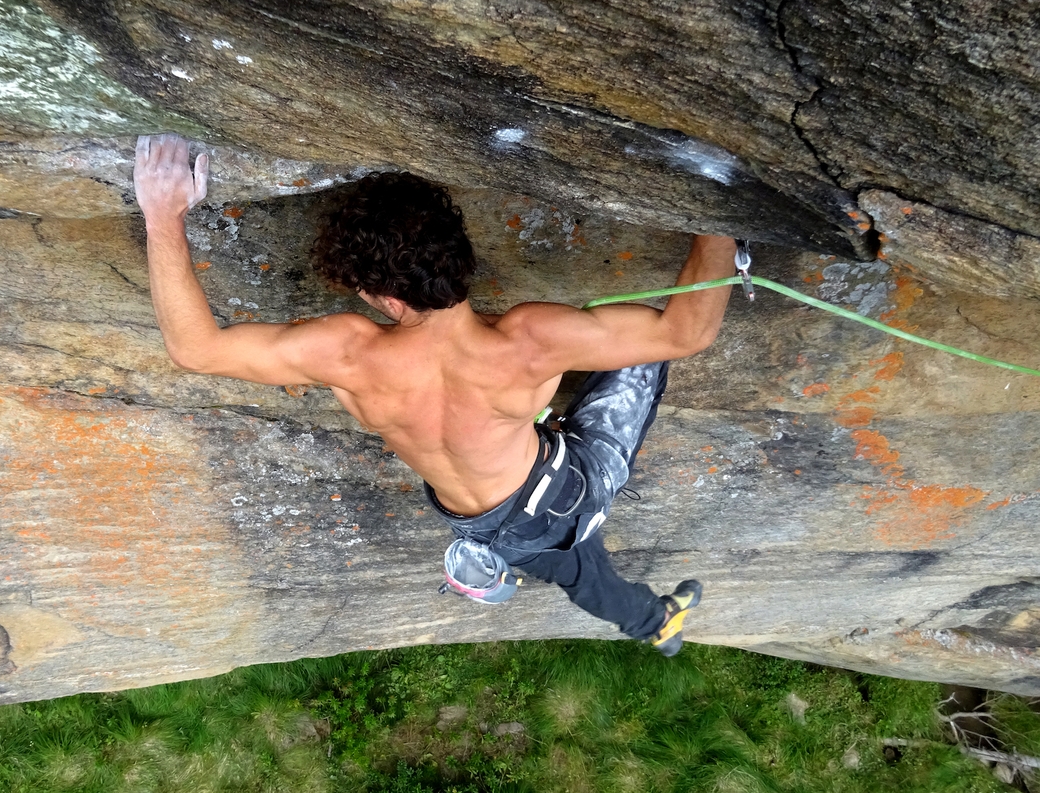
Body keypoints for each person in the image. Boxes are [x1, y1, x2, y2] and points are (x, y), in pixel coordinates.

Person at [134, 134, 737, 655]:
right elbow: (685, 332)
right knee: (645, 359)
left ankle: (655, 625)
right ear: (463, 259)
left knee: (580, 574)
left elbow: (197, 349)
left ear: (384, 299)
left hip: (493, 529)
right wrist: (718, 210)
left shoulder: (347, 355)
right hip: (565, 487)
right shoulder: (530, 340)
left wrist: (163, 214)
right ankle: (655, 623)